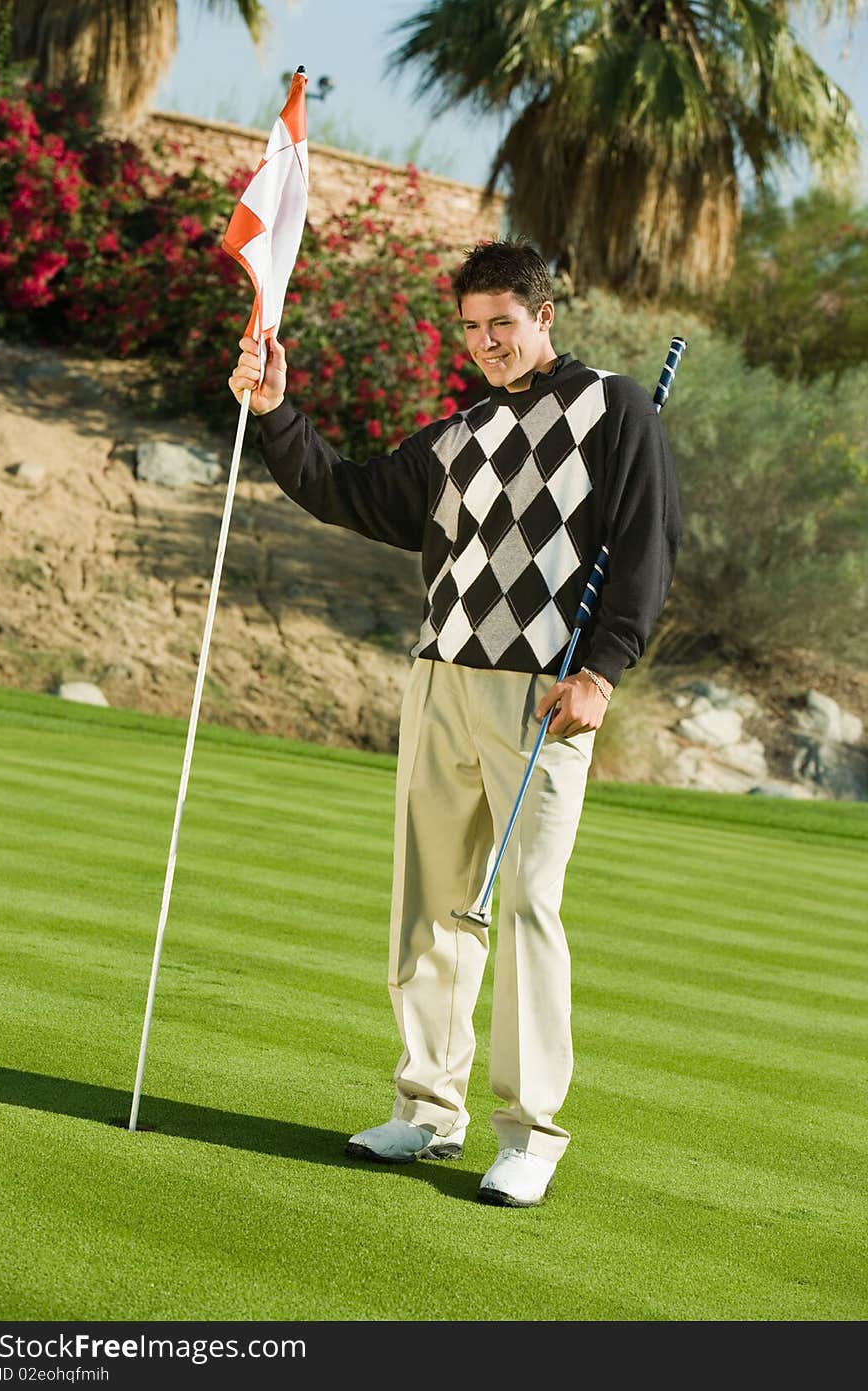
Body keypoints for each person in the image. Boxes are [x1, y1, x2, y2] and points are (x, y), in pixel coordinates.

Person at [229, 239, 681, 1208]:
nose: (485, 343)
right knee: (427, 902)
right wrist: (274, 411)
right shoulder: (460, 430)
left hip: (543, 694)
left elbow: (647, 542)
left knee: (522, 906)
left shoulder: (614, 406)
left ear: (543, 315)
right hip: (440, 677)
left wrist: (603, 666)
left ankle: (530, 1133)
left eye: (502, 325)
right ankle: (427, 1107)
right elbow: (345, 491)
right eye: (471, 328)